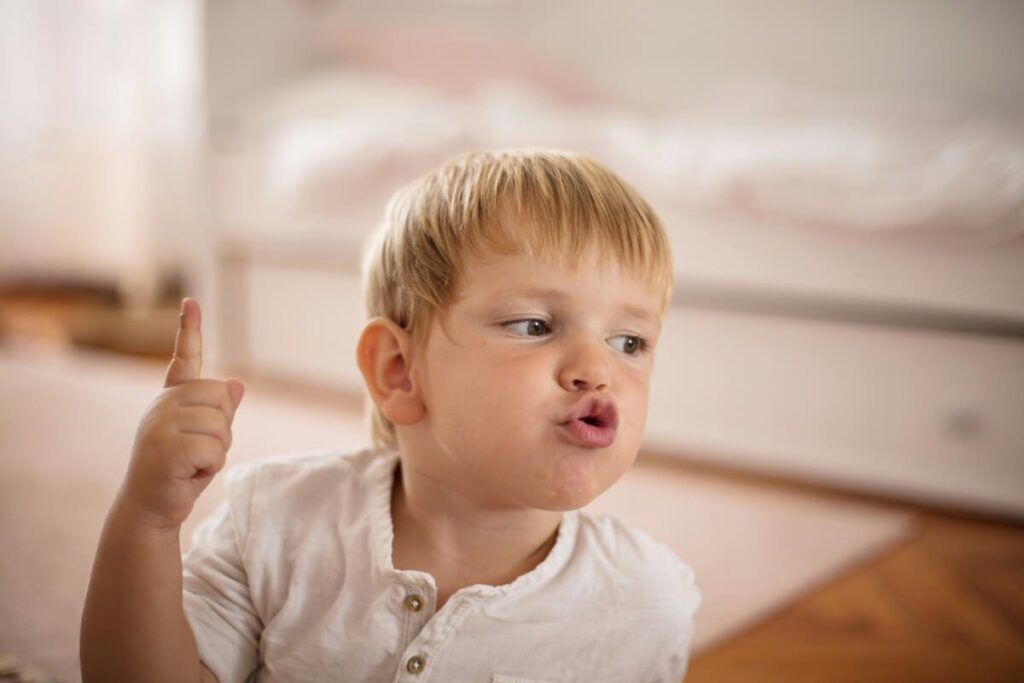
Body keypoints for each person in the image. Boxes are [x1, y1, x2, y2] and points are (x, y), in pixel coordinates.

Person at [81, 149, 701, 682]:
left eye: (630, 342)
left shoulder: (647, 600)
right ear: (399, 371)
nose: (598, 368)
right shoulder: (275, 523)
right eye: (534, 325)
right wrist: (149, 521)